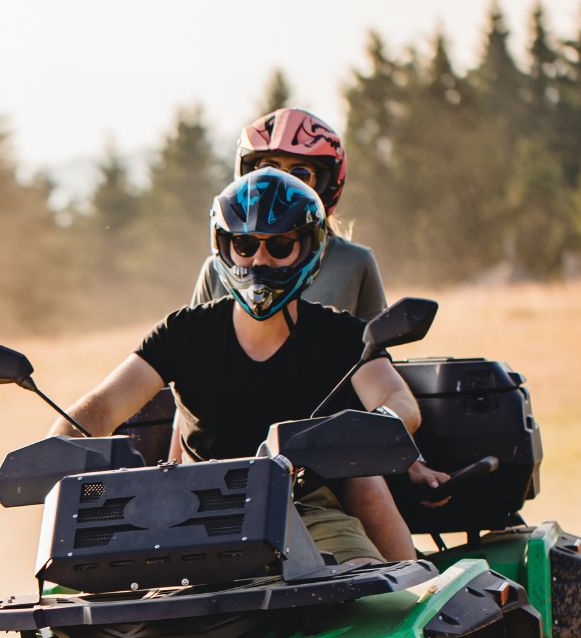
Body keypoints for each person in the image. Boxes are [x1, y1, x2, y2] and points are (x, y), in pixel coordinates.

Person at [52, 169, 447, 566]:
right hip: (191, 518)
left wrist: (367, 425)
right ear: (224, 247)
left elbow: (399, 400)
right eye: (244, 244)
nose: (259, 259)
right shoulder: (184, 332)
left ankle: (413, 594)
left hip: (308, 509)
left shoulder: (341, 335)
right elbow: (103, 406)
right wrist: (57, 445)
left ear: (308, 248)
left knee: (364, 588)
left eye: (278, 246)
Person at [190, 107, 386, 319]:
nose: (280, 183)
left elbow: (375, 344)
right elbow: (193, 342)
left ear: (326, 185)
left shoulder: (355, 262)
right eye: (268, 168)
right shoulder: (218, 268)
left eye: (300, 174)